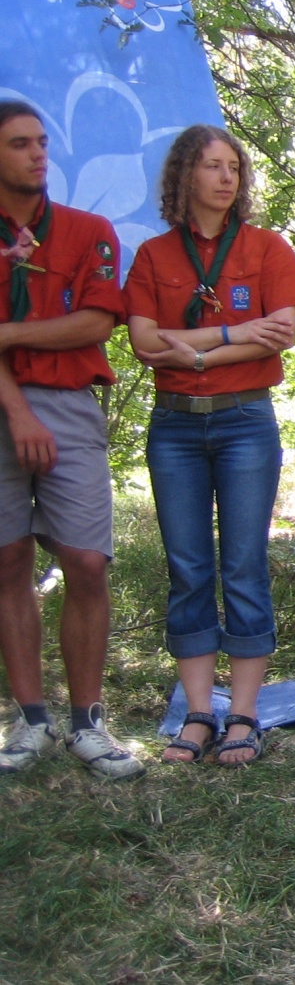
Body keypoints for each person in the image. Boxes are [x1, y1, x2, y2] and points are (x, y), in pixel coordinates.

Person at [123, 125, 295, 766]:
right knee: (188, 568)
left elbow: (282, 331)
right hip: (175, 427)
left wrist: (195, 350)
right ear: (185, 176)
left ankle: (244, 716)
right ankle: (198, 714)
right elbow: (144, 343)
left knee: (243, 564)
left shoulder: (265, 247)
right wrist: (235, 333)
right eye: (212, 165)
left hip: (244, 422)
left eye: (234, 166)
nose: (227, 177)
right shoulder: (155, 256)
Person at [0, 99, 144, 781]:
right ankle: (30, 719)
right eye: (19, 144)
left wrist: (9, 333)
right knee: (8, 560)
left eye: (41, 142)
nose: (37, 154)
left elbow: (95, 322)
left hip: (69, 403)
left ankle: (89, 721)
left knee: (86, 561)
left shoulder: (89, 231)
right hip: (4, 404)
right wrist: (17, 413)